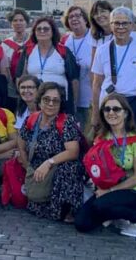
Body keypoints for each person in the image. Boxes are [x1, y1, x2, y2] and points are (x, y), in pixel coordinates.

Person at [74, 93, 136, 238]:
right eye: (107, 109)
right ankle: (116, 216)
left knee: (100, 205)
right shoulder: (102, 137)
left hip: (134, 191)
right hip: (106, 190)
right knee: (82, 223)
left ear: (126, 113)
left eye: (116, 109)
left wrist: (109, 191)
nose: (111, 112)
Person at [15, 83, 86, 222]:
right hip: (37, 171)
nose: (51, 104)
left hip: (58, 168)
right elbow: (21, 145)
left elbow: (73, 152)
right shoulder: (31, 120)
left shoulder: (66, 122)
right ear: (39, 100)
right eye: (46, 99)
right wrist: (28, 167)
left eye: (55, 100)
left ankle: (66, 210)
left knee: (70, 167)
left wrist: (49, 163)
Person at [90, 7, 136, 134]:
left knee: (135, 141)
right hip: (108, 103)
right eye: (116, 23)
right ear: (111, 25)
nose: (120, 27)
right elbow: (96, 84)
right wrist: (95, 113)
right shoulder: (102, 50)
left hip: (133, 103)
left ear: (132, 25)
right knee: (110, 141)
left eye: (125, 23)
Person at [12, 17, 80, 116]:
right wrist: (23, 98)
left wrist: (74, 103)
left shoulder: (63, 50)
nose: (42, 31)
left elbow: (74, 79)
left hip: (58, 100)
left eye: (46, 29)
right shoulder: (28, 50)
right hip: (34, 100)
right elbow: (20, 77)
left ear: (52, 32)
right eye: (39, 29)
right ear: (34, 32)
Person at [61, 5, 94, 124]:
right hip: (71, 98)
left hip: (90, 97)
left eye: (78, 16)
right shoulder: (65, 40)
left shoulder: (94, 37)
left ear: (85, 19)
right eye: (70, 17)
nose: (74, 19)